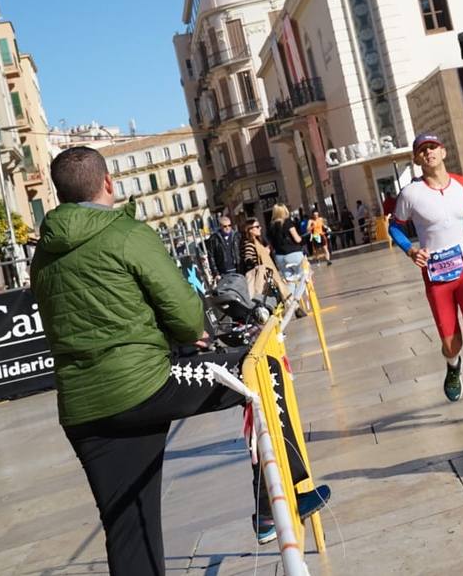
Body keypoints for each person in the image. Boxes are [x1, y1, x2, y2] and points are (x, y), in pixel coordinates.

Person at [31, 147, 329, 574]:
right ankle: (279, 499)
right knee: (261, 368)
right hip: (144, 385)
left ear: (59, 195)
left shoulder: (43, 254)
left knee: (129, 530)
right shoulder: (126, 233)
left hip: (84, 409)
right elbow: (188, 318)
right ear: (109, 184)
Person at [388, 133, 463, 423]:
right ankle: (453, 366)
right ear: (416, 159)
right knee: (452, 343)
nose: (428, 154)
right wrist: (410, 250)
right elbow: (395, 228)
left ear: (443, 151)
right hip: (437, 275)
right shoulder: (410, 194)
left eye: (433, 148)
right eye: (422, 151)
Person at [267, 203, 306, 288]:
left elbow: (271, 243)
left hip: (280, 256)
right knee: (304, 276)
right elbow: (297, 239)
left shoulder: (271, 226)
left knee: (289, 282)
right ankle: (297, 297)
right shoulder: (288, 222)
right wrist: (303, 239)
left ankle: (291, 300)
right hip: (293, 253)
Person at [204, 214, 241, 281]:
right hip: (223, 273)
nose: (228, 228)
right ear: (220, 226)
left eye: (229, 225)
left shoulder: (237, 236)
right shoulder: (214, 239)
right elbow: (211, 256)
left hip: (238, 270)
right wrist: (216, 273)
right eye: (225, 226)